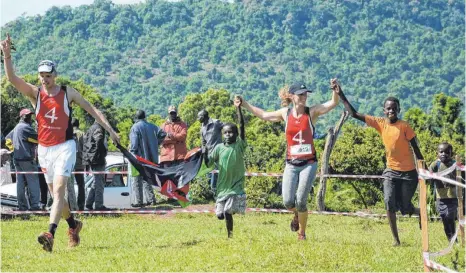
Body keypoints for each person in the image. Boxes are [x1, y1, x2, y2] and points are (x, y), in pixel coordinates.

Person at [1, 33, 120, 252]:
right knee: (59, 197)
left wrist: (110, 130)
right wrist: (6, 56)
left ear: (55, 75)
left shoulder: (68, 93)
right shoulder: (35, 94)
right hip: (44, 150)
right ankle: (74, 226)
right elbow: (12, 79)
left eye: (48, 75)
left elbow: (92, 109)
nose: (45, 79)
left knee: (58, 191)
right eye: (41, 76)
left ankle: (50, 233)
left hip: (65, 146)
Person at [235, 80, 340, 240]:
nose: (304, 97)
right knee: (288, 201)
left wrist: (335, 90)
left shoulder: (312, 112)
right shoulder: (285, 113)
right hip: (291, 164)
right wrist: (245, 104)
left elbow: (333, 103)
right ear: (292, 96)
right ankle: (296, 214)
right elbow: (263, 115)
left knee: (301, 200)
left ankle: (302, 233)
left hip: (309, 163)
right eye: (300, 94)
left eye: (305, 94)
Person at [335, 82, 424, 246]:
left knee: (405, 208)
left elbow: (416, 148)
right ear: (384, 111)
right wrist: (341, 94)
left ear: (399, 110)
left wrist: (422, 167)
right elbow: (354, 113)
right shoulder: (380, 123)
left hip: (409, 173)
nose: (391, 111)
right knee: (389, 202)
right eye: (388, 109)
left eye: (394, 108)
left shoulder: (404, 126)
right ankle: (396, 240)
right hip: (390, 171)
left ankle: (420, 213)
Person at [204, 98, 246, 238]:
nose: (228, 135)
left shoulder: (239, 146)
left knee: (228, 212)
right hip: (222, 188)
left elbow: (241, 125)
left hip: (235, 188)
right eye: (225, 133)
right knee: (220, 215)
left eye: (231, 132)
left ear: (236, 134)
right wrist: (204, 154)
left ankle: (230, 236)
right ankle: (228, 228)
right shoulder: (219, 148)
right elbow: (209, 163)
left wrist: (238, 108)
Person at [129, 109, 166, 207]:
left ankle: (139, 202)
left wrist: (132, 155)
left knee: (137, 180)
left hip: (139, 158)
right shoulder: (152, 126)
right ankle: (151, 199)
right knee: (147, 179)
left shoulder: (135, 127)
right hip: (151, 159)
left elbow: (134, 145)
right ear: (144, 117)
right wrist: (156, 143)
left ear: (136, 118)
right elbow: (163, 134)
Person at [6, 109, 41, 211]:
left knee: (20, 183)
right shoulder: (26, 128)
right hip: (26, 159)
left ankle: (22, 206)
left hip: (17, 159)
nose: (29, 117)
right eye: (27, 116)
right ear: (22, 117)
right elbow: (39, 138)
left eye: (30, 115)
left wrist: (14, 151)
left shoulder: (16, 127)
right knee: (33, 182)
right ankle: (35, 206)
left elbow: (8, 139)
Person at [428, 142, 458, 241]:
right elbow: (428, 175)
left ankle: (454, 239)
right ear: (437, 153)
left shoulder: (454, 164)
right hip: (440, 198)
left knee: (450, 216)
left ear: (451, 154)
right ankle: (450, 239)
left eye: (447, 152)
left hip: (453, 197)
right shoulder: (435, 164)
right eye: (441, 152)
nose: (443, 154)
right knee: (445, 219)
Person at [83, 118, 108, 210]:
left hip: (91, 159)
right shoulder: (98, 129)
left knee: (95, 182)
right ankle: (99, 205)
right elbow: (99, 141)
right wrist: (103, 153)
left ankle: (88, 203)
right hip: (98, 159)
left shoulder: (90, 129)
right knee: (99, 183)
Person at [197, 109, 224, 193]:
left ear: (204, 116)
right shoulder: (202, 126)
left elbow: (228, 128)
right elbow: (203, 140)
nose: (198, 118)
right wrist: (203, 149)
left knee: (215, 172)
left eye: (199, 117)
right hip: (208, 153)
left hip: (218, 152)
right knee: (209, 172)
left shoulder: (216, 123)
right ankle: (208, 191)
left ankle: (214, 191)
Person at [72, 118, 85, 210]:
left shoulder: (67, 132)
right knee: (81, 185)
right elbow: (85, 149)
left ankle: (70, 205)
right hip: (80, 163)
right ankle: (80, 205)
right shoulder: (82, 134)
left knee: (69, 185)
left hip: (69, 163)